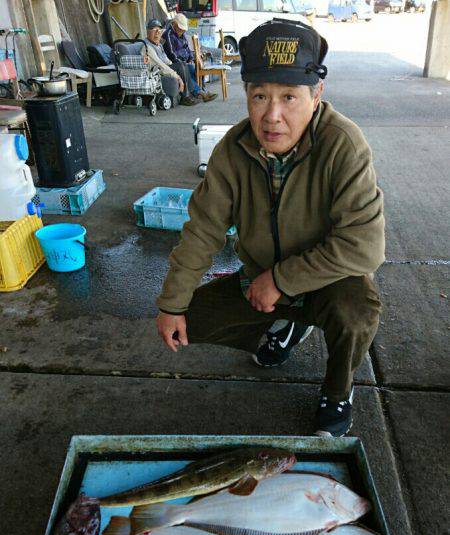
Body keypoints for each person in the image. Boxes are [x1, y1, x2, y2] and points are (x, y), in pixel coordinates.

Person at [156, 19, 384, 438]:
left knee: (356, 313)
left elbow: (365, 246)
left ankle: (338, 390)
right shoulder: (232, 149)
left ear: (316, 94)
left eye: (289, 97)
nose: (272, 116)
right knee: (189, 319)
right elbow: (203, 230)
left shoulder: (344, 144)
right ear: (247, 95)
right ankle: (289, 323)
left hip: (329, 280)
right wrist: (171, 304)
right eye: (260, 96)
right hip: (258, 280)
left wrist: (281, 280)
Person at [162, 13, 218, 102]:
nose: (182, 31)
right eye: (180, 28)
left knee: (192, 67)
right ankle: (200, 93)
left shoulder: (182, 34)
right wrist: (185, 61)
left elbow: (187, 49)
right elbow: (172, 54)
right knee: (186, 67)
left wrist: (191, 58)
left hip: (183, 62)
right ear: (174, 24)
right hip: (174, 63)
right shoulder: (168, 34)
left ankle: (202, 91)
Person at [143, 18, 198, 106]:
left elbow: (167, 61)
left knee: (184, 65)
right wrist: (177, 76)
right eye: (154, 30)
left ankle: (191, 93)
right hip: (157, 71)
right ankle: (185, 96)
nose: (157, 33)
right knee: (181, 65)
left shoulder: (158, 45)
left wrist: (179, 66)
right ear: (148, 31)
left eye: (159, 30)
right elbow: (161, 65)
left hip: (164, 67)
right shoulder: (147, 47)